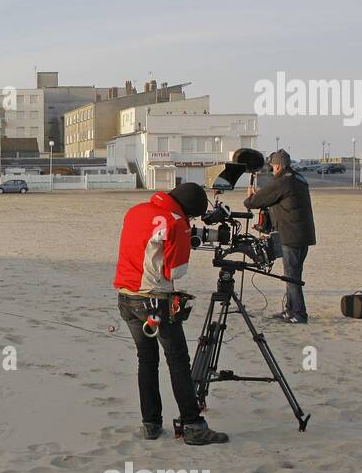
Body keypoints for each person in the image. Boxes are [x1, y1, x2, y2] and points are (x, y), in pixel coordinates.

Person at [113, 182, 228, 445]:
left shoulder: (136, 210)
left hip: (126, 296)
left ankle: (151, 424)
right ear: (187, 211)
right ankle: (193, 425)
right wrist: (185, 239)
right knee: (177, 361)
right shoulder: (176, 222)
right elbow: (174, 272)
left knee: (147, 358)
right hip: (154, 300)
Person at [243, 149, 316, 324]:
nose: (272, 171)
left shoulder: (283, 182)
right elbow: (277, 197)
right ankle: (290, 310)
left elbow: (254, 202)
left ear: (277, 166)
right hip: (303, 234)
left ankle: (298, 313)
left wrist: (250, 197)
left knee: (291, 275)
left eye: (272, 167)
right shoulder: (298, 178)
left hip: (291, 234)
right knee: (294, 273)